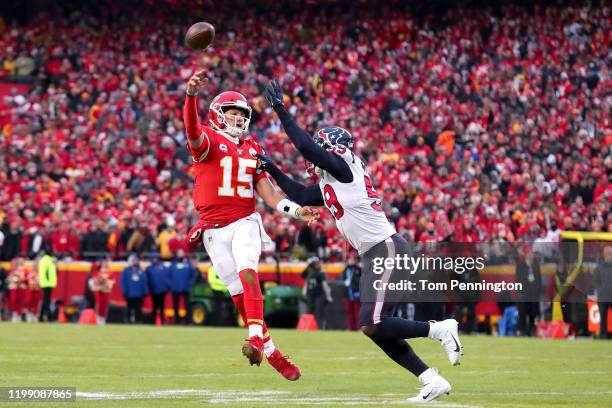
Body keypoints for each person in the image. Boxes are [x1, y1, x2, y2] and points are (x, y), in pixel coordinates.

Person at [257, 80, 462, 402]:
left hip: (387, 248)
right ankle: (431, 378)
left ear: (335, 148)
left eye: (323, 149)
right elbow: (298, 192)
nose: (315, 157)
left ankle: (440, 329)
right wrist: (270, 166)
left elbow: (308, 149)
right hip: (374, 253)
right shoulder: (332, 182)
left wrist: (281, 110)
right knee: (374, 327)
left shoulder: (344, 165)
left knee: (374, 321)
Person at [182, 70, 318, 380]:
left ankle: (256, 339)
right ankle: (273, 354)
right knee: (238, 295)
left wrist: (297, 212)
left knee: (248, 272)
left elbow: (269, 195)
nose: (238, 119)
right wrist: (191, 96)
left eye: (241, 115)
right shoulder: (209, 139)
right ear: (218, 115)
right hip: (213, 230)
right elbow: (191, 130)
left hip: (244, 220)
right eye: (231, 113)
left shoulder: (253, 148)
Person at [515, 250, 542, 336]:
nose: (531, 256)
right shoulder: (520, 266)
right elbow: (517, 280)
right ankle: (522, 330)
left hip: (533, 294)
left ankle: (531, 331)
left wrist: (538, 292)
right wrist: (519, 292)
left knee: (532, 314)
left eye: (532, 254)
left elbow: (539, 280)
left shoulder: (536, 266)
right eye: (529, 254)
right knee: (522, 313)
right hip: (524, 294)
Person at [301, 257, 332, 329]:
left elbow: (325, 285)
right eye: (316, 263)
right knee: (309, 311)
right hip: (310, 294)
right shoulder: (309, 271)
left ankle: (320, 327)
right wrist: (308, 266)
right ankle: (308, 327)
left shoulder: (321, 272)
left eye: (318, 263)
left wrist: (328, 296)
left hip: (319, 295)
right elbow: (302, 275)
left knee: (319, 312)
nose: (318, 264)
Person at [169, 249, 197, 325]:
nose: (181, 254)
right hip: (175, 288)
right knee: (175, 305)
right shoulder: (173, 263)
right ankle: (176, 320)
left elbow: (193, 274)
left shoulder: (188, 264)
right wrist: (171, 284)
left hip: (185, 288)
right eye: (179, 253)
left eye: (182, 253)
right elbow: (168, 275)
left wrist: (190, 283)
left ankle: (188, 320)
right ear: (177, 254)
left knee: (187, 305)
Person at [120, 255, 148, 324]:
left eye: (135, 261)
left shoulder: (140, 271)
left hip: (139, 293)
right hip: (130, 293)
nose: (134, 262)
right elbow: (123, 282)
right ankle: (128, 319)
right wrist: (124, 291)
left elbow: (144, 281)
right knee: (129, 307)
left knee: (138, 308)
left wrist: (145, 291)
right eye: (133, 261)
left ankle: (138, 320)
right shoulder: (126, 271)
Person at [145, 254, 170, 324]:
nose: (154, 259)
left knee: (162, 307)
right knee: (155, 307)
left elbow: (167, 278)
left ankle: (162, 320)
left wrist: (167, 287)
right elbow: (147, 280)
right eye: (153, 258)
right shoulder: (149, 268)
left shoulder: (163, 267)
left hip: (162, 291)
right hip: (154, 291)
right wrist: (148, 289)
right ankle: (153, 321)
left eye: (155, 258)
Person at [593, 245, 612, 339]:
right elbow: (596, 282)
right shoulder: (599, 268)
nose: (609, 255)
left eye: (610, 253)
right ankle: (603, 336)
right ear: (604, 254)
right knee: (603, 319)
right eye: (608, 253)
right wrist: (601, 291)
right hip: (603, 297)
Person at [341, 253, 362, 331]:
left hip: (356, 293)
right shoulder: (346, 269)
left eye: (352, 259)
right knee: (349, 311)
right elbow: (343, 278)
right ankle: (351, 328)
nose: (350, 261)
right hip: (347, 293)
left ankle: (358, 327)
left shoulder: (358, 269)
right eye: (349, 259)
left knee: (357, 311)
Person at [38, 250, 57, 322]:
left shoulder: (43, 260)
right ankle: (47, 316)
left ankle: (42, 316)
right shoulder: (48, 261)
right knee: (46, 301)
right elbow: (49, 272)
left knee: (45, 301)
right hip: (47, 283)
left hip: (44, 283)